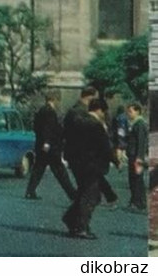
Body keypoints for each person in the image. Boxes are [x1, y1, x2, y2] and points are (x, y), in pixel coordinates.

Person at [61, 97, 113, 240]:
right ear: (99, 110)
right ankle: (81, 227)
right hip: (91, 165)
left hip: (77, 162)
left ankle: (72, 220)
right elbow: (104, 146)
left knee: (85, 192)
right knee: (90, 195)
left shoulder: (77, 120)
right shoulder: (95, 124)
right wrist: (115, 160)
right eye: (104, 112)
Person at [63, 85, 118, 208]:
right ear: (89, 97)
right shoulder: (79, 112)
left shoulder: (80, 110)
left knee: (89, 182)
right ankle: (80, 213)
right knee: (88, 184)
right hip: (81, 154)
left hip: (85, 154)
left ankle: (83, 210)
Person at [25, 93, 76, 201]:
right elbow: (48, 128)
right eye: (58, 100)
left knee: (38, 169)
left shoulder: (41, 111)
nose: (58, 103)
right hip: (50, 147)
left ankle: (30, 190)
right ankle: (72, 194)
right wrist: (47, 142)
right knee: (60, 171)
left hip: (41, 145)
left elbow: (37, 127)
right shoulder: (50, 112)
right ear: (54, 99)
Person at [125, 101, 148, 212]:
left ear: (137, 111)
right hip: (132, 155)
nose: (129, 114)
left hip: (136, 157)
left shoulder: (140, 124)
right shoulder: (134, 123)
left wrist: (139, 157)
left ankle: (140, 202)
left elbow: (141, 142)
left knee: (137, 180)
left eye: (130, 111)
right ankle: (134, 200)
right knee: (133, 179)